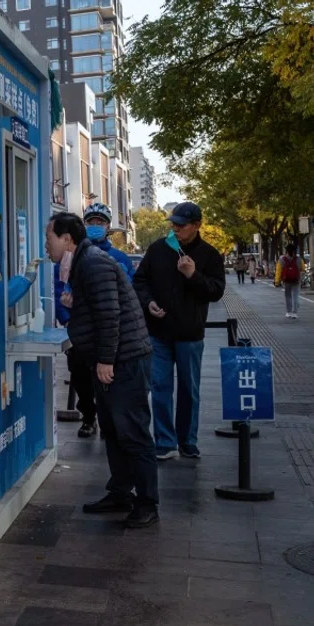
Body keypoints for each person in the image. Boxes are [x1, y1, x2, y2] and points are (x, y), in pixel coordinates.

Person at [45, 212, 158, 528]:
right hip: (110, 360)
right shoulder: (81, 263)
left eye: (49, 237)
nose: (46, 245)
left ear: (67, 239)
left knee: (133, 432)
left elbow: (111, 317)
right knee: (112, 430)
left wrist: (106, 361)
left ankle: (148, 501)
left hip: (125, 362)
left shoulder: (93, 264)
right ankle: (121, 492)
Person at [133, 202, 226, 460]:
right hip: (159, 332)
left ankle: (188, 441)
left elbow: (216, 291)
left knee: (189, 389)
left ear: (196, 226)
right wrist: (148, 302)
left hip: (190, 333)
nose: (175, 228)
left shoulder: (209, 255)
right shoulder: (158, 249)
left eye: (181, 225)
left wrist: (193, 275)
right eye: (173, 223)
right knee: (160, 386)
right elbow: (140, 281)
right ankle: (165, 441)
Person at [54, 203, 135, 439]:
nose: (95, 226)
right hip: (80, 333)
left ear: (108, 226)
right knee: (81, 377)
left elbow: (128, 293)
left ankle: (111, 420)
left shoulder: (119, 258)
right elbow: (60, 292)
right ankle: (89, 417)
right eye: (91, 222)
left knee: (109, 379)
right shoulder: (68, 259)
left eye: (100, 222)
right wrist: (68, 319)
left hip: (110, 333)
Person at [275, 244, 305, 319]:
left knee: (288, 296)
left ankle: (288, 312)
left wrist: (277, 281)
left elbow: (278, 271)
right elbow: (303, 270)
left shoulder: (282, 259)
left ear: (286, 251)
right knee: (295, 296)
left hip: (286, 280)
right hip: (296, 280)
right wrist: (300, 279)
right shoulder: (299, 259)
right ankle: (294, 312)